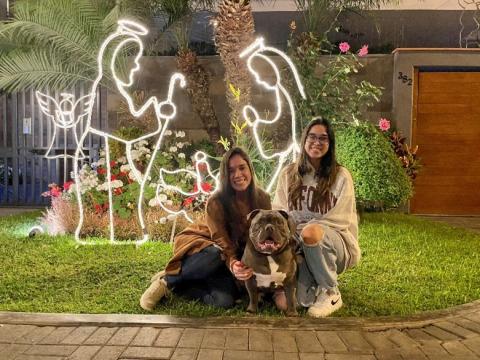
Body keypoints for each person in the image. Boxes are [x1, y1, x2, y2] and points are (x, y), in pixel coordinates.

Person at [140, 147, 273, 310]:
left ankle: (181, 282)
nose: (238, 175)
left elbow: (262, 236)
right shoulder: (216, 201)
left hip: (233, 255)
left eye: (242, 168)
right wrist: (232, 263)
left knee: (224, 301)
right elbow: (220, 240)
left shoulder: (263, 198)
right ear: (225, 175)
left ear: (250, 169)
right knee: (215, 255)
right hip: (207, 244)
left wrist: (243, 265)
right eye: (231, 171)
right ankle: (167, 280)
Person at [272, 117, 360, 318]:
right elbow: (280, 212)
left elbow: (341, 219)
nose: (317, 143)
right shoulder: (289, 174)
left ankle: (331, 292)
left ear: (330, 144)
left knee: (311, 232)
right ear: (304, 140)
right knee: (285, 303)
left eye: (323, 138)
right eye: (312, 137)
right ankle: (313, 288)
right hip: (300, 245)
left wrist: (304, 230)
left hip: (333, 245)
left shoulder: (341, 176)